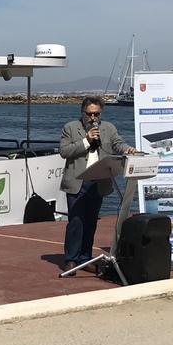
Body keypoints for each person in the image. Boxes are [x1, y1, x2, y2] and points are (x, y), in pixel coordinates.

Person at [59, 96, 135, 274]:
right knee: (76, 222)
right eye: (89, 114)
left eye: (97, 114)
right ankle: (71, 259)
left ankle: (85, 258)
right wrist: (86, 141)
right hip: (78, 181)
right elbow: (64, 151)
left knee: (91, 222)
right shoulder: (70, 128)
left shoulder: (108, 128)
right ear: (82, 113)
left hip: (99, 181)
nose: (93, 117)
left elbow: (117, 143)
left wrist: (127, 149)